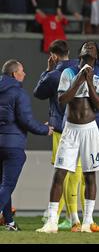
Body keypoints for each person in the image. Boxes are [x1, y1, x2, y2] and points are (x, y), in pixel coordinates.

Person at [36, 41, 99, 233]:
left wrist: (89, 82)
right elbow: (62, 100)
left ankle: (87, 221)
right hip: (70, 129)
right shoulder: (68, 73)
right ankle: (52, 221)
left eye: (93, 47)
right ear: (80, 53)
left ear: (97, 55)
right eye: (86, 46)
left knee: (90, 175)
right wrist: (79, 79)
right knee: (60, 173)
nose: (89, 48)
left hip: (90, 130)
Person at [0, 59, 53, 231]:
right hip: (13, 146)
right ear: (15, 74)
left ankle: (10, 222)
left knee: (3, 186)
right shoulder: (18, 93)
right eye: (22, 71)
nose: (25, 73)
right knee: (7, 185)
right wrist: (45, 130)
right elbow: (26, 120)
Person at [33, 40, 79, 231]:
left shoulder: (54, 75)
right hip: (83, 128)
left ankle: (57, 217)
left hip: (62, 129)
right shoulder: (80, 69)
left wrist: (47, 70)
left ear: (53, 55)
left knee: (61, 173)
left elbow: (38, 93)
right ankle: (75, 218)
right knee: (77, 174)